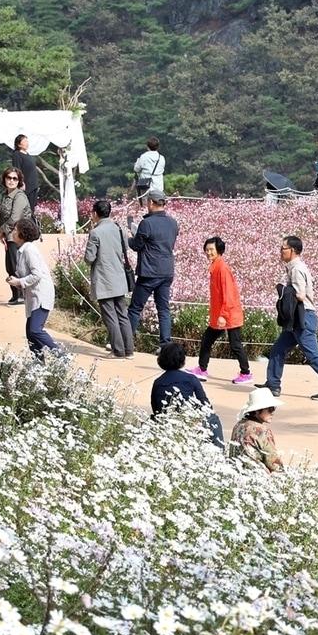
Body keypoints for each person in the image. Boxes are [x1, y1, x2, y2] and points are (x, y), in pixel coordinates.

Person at [266, 235, 318, 400]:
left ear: (293, 250)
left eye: (283, 248)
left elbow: (300, 295)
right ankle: (273, 385)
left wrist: (284, 290)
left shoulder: (297, 269)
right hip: (298, 317)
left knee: (312, 355)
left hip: (303, 316)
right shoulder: (294, 267)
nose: (280, 251)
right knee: (278, 349)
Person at [193, 236, 252, 384]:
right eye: (206, 250)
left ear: (219, 250)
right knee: (207, 340)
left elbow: (229, 294)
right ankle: (202, 369)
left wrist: (223, 315)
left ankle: (246, 373)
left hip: (228, 314)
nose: (208, 252)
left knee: (235, 345)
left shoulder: (222, 268)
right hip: (220, 315)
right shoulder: (215, 266)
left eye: (211, 249)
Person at [6, 218, 64, 362]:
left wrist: (19, 281)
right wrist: (16, 281)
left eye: (15, 230)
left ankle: (62, 356)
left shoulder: (29, 250)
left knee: (35, 330)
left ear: (22, 234)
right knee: (30, 333)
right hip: (33, 296)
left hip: (41, 295)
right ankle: (38, 363)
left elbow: (36, 274)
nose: (12, 233)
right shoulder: (22, 250)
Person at [83, 199, 135, 359]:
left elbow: (89, 258)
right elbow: (125, 248)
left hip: (104, 280)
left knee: (110, 317)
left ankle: (118, 350)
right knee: (123, 314)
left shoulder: (95, 232)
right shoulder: (119, 229)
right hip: (119, 277)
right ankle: (129, 350)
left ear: (95, 213)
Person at [127, 190, 179, 345]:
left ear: (150, 203)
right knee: (163, 310)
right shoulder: (173, 223)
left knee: (135, 308)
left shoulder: (147, 223)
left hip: (149, 272)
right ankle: (165, 345)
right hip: (167, 272)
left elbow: (137, 246)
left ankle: (126, 342)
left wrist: (129, 238)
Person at [151, 341, 223, 447]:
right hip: (187, 420)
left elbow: (155, 407)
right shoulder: (191, 379)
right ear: (183, 360)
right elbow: (206, 405)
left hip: (165, 419)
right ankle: (219, 452)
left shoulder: (158, 382)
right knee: (213, 418)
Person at [0, 167, 32, 306]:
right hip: (9, 235)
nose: (11, 181)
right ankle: (15, 294)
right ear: (4, 179)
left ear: (19, 181)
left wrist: (2, 231)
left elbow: (15, 217)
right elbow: (2, 216)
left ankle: (22, 295)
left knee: (16, 266)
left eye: (14, 178)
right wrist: (1, 233)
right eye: (9, 178)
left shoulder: (19, 196)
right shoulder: (6, 195)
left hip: (17, 236)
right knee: (10, 266)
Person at [229, 387, 284, 473]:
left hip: (235, 471)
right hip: (257, 475)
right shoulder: (262, 430)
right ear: (257, 411)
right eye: (270, 410)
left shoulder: (239, 425)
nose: (272, 413)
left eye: (273, 409)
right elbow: (273, 461)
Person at [10, 134, 39, 209]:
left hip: (33, 184)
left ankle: (30, 220)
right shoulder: (17, 154)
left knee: (32, 207)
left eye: (27, 141)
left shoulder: (28, 154)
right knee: (25, 207)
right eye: (25, 141)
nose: (27, 143)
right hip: (26, 185)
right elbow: (17, 169)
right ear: (19, 144)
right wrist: (21, 182)